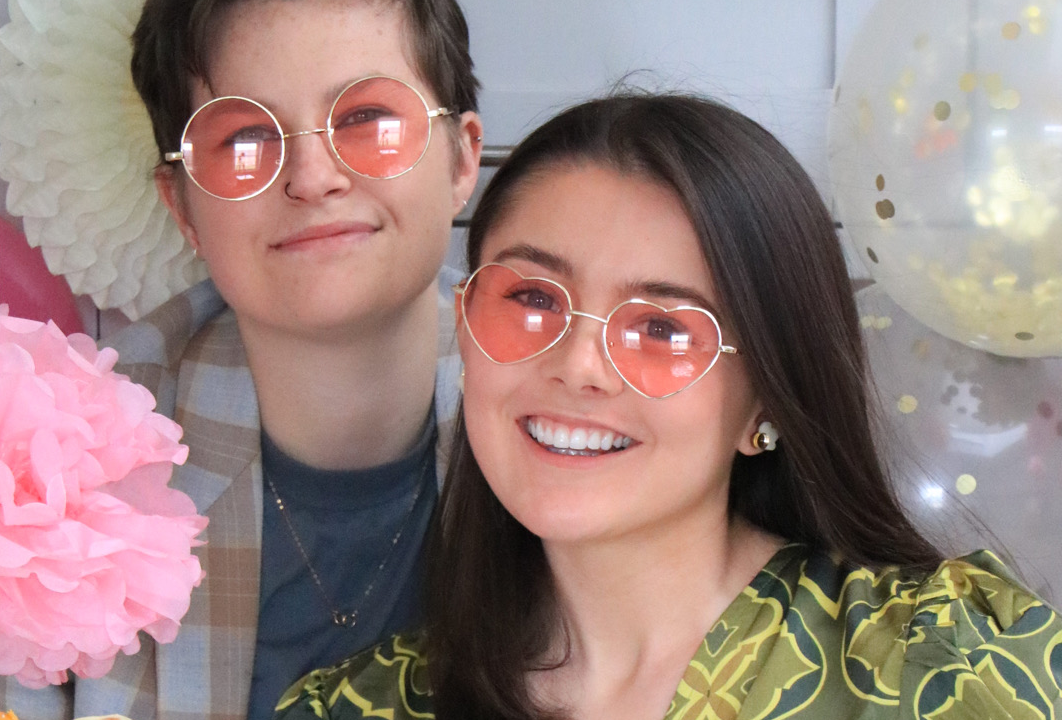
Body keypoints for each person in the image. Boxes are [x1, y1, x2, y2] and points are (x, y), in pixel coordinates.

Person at [273, 93, 1062, 719]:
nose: (579, 365)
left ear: (770, 396)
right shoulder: (361, 706)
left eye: (661, 327)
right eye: (533, 298)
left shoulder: (945, 666)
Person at [0, 0, 482, 718]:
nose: (311, 176)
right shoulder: (52, 473)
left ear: (461, 158)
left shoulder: (585, 407)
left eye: (367, 120)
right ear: (182, 206)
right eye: (243, 137)